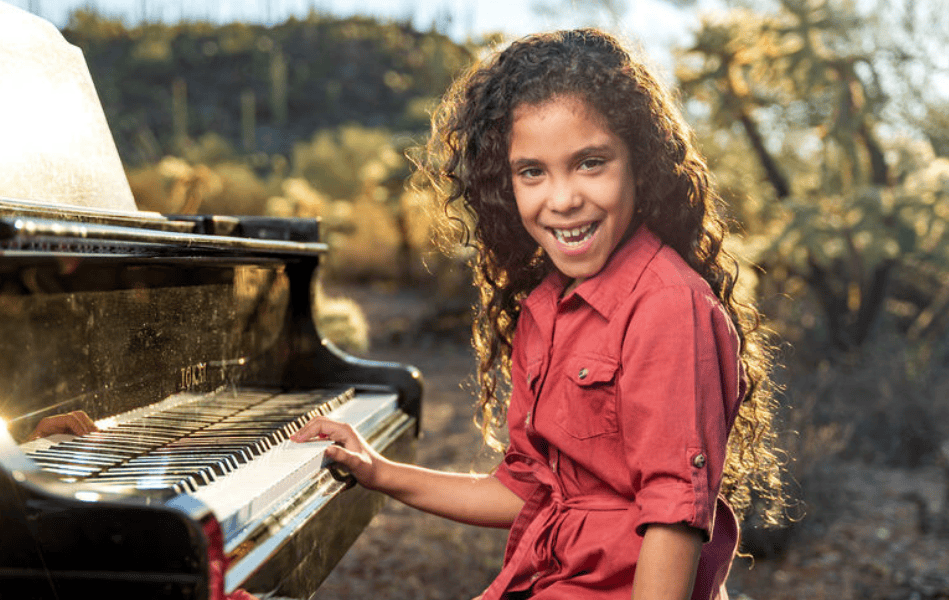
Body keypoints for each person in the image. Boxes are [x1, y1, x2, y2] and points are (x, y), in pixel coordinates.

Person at [292, 28, 785, 600]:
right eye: (533, 172)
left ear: (640, 163)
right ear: (505, 183)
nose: (562, 198)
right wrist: (379, 471)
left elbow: (674, 518)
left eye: (590, 163)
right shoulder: (548, 306)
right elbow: (525, 491)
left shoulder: (668, 306)